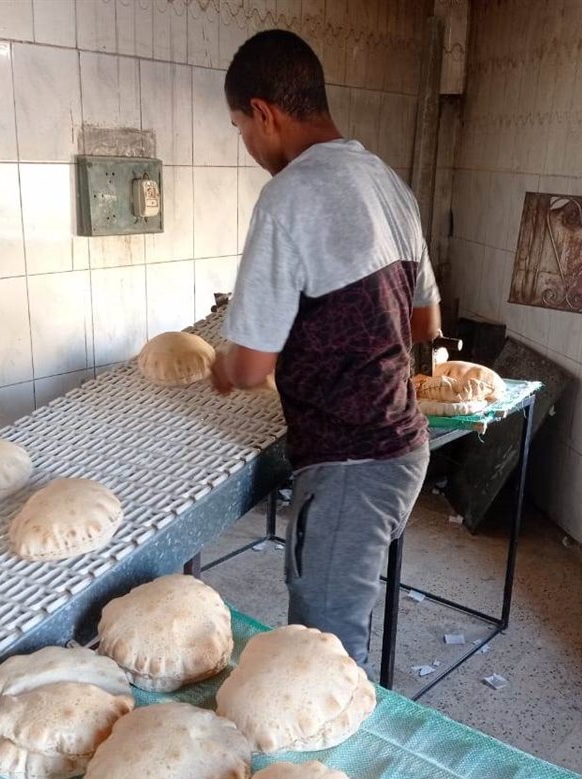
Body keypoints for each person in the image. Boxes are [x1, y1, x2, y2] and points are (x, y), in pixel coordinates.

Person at [210, 29, 441, 671]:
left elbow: (250, 365)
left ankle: (342, 736)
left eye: (240, 127)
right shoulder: (387, 183)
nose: (247, 144)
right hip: (402, 447)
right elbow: (425, 321)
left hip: (350, 463)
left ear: (264, 113)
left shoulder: (288, 197)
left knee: (323, 654)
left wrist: (221, 366)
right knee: (339, 627)